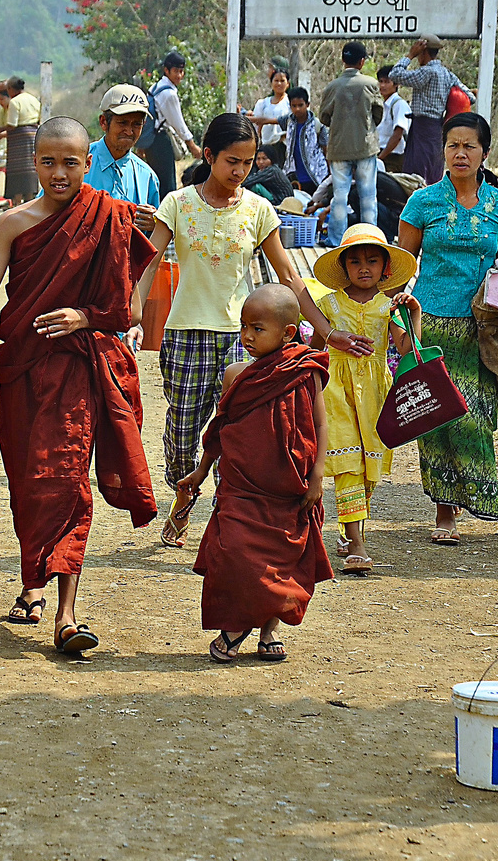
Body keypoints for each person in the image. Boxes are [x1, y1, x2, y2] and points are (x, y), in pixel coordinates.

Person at [0, 117, 158, 652]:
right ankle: (32, 581)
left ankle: (67, 614)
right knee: (29, 481)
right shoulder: (13, 224)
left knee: (66, 478)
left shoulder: (111, 218)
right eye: (48, 161)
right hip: (25, 372)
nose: (59, 172)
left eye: (70, 162)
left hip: (78, 370)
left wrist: (85, 317)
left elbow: (129, 308)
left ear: (88, 163)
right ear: (34, 163)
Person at [134, 113, 372, 549]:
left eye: (246, 162)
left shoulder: (259, 210)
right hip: (186, 335)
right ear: (209, 157)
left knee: (240, 434)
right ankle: (184, 495)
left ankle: (231, 516)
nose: (240, 171)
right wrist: (133, 306)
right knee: (182, 434)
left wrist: (325, 329)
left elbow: (287, 275)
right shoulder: (178, 204)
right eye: (231, 161)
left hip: (246, 338)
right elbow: (150, 260)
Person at [177, 284, 332, 663]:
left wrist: (317, 476)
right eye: (243, 326)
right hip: (241, 486)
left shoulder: (305, 370)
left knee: (280, 560)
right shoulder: (235, 375)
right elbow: (220, 428)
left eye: (257, 328)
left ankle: (267, 631)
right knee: (233, 553)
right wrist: (199, 472)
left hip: (287, 485)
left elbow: (321, 423)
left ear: (288, 333)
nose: (246, 336)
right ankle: (234, 625)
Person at [397, 112, 498, 540]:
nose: (461, 153)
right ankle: (444, 510)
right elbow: (403, 264)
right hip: (428, 322)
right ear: (443, 151)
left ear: (485, 152)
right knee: (439, 416)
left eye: (470, 145)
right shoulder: (422, 202)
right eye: (453, 145)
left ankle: (477, 496)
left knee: (476, 415)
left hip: (483, 329)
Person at [311, 226, 420, 575]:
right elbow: (314, 349)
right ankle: (357, 542)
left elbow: (406, 350)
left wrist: (413, 314)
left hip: (375, 393)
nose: (363, 268)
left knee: (368, 468)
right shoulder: (328, 304)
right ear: (343, 268)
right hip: (335, 392)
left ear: (385, 268)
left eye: (372, 261)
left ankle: (348, 525)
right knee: (348, 465)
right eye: (355, 261)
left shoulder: (390, 307)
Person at [317, 41, 384, 247]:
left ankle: (337, 239)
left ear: (343, 60)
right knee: (368, 195)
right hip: (365, 146)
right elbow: (378, 113)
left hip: (339, 148)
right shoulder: (370, 84)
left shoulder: (332, 86)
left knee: (339, 196)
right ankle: (370, 238)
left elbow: (324, 117)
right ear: (362, 61)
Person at [389, 34, 475, 183]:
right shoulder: (447, 74)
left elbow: (394, 75)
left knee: (417, 173)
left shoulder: (426, 72)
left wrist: (410, 55)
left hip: (422, 128)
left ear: (423, 51)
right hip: (438, 128)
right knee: (433, 169)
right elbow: (470, 97)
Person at [84, 83, 161, 233]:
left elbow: (154, 239)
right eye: (122, 122)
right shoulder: (78, 163)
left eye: (136, 124)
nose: (129, 131)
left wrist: (156, 224)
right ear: (103, 122)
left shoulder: (147, 176)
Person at [145, 51, 201, 195]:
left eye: (181, 71)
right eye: (176, 71)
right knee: (167, 183)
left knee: (156, 180)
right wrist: (193, 146)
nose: (179, 75)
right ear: (166, 70)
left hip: (151, 140)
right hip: (160, 141)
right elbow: (178, 123)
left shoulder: (156, 87)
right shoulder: (168, 94)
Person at [0, 75, 41, 206]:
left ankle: (17, 202)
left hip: (19, 138)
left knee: (17, 171)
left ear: (11, 89)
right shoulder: (33, 99)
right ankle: (30, 200)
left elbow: (12, 124)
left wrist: (0, 130)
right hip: (33, 135)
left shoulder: (14, 102)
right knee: (31, 168)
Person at [283, 87, 328, 190]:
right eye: (294, 106)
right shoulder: (289, 121)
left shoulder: (317, 125)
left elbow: (326, 149)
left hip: (316, 175)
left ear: (307, 104)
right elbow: (271, 120)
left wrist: (330, 174)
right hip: (295, 176)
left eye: (300, 105)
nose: (297, 109)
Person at [376, 65, 412, 170]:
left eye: (387, 82)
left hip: (392, 158)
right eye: (381, 81)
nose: (382, 86)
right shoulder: (382, 105)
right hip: (379, 153)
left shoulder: (399, 105)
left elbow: (398, 134)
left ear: (396, 84)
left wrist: (381, 157)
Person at [249, 70, 292, 151]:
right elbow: (257, 125)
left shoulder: (291, 103)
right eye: (276, 80)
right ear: (271, 83)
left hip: (284, 145)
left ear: (287, 84)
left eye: (282, 81)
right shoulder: (263, 103)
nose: (279, 83)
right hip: (266, 145)